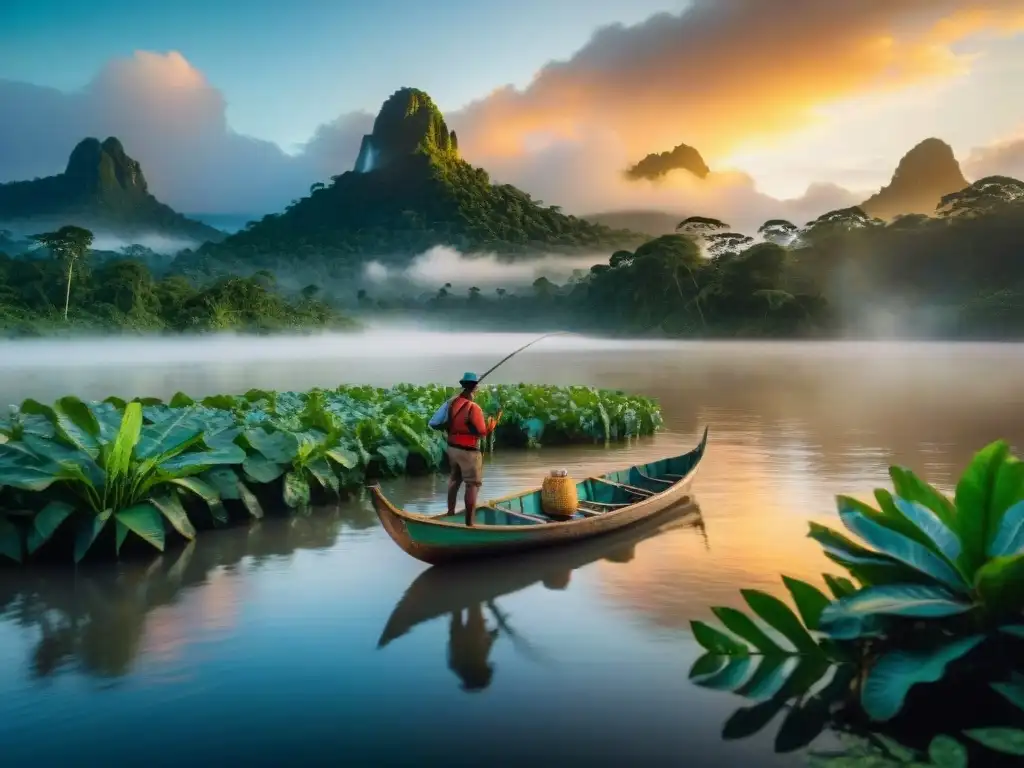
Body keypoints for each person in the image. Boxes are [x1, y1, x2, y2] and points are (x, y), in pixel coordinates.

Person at [445, 372, 501, 526]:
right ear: (475, 388)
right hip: (468, 451)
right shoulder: (473, 407)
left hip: (452, 448)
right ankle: (470, 524)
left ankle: (450, 512)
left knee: (454, 480)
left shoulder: (452, 403)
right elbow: (482, 432)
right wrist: (492, 424)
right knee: (472, 484)